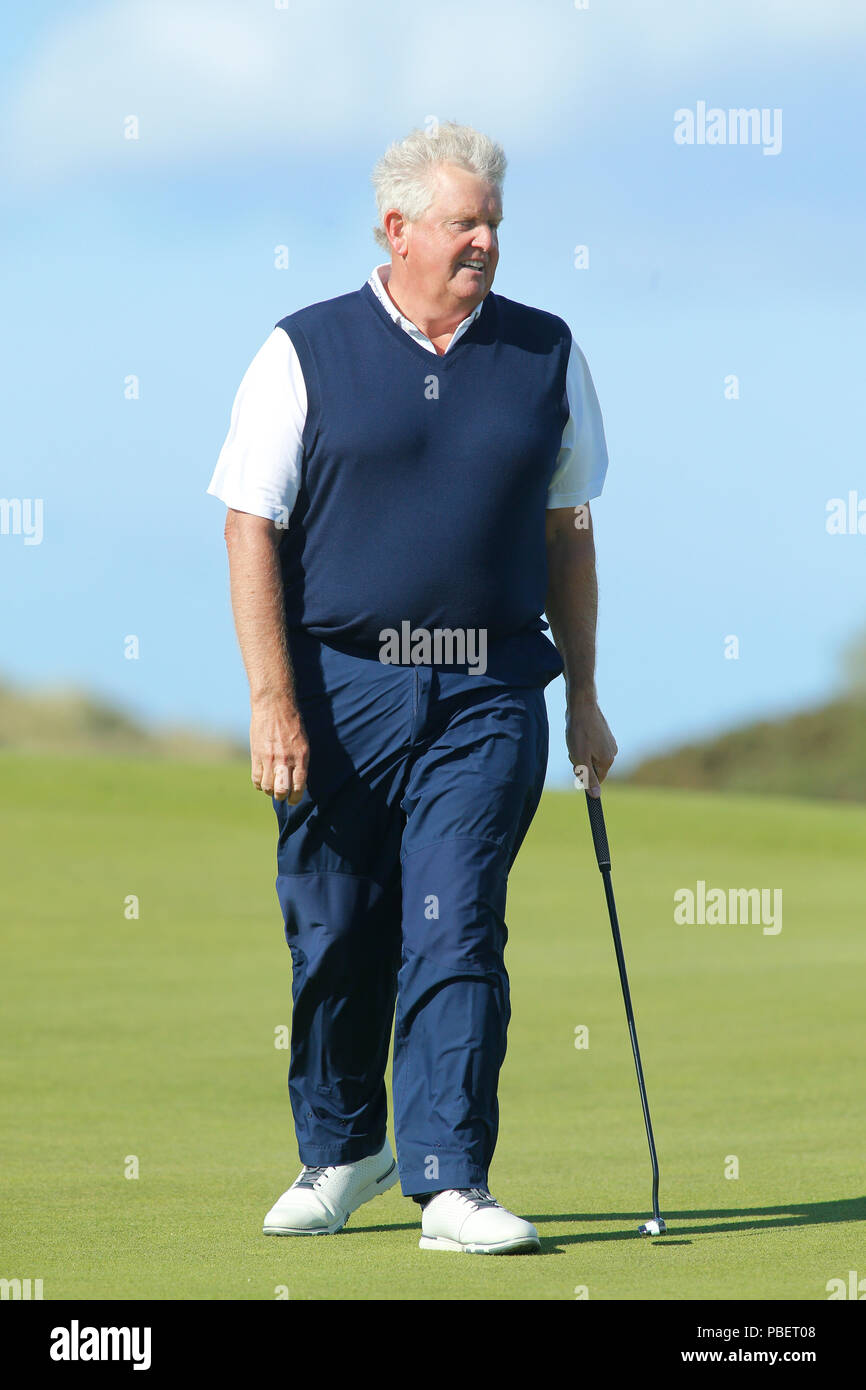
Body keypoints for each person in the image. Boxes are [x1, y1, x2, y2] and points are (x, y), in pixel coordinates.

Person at [207, 122, 617, 1255]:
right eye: (462, 223)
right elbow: (250, 524)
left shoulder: (544, 353)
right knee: (335, 933)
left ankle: (449, 1179)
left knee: (456, 922)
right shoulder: (303, 351)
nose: (483, 241)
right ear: (396, 229)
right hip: (341, 688)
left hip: (487, 689)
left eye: (491, 223)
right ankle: (343, 1148)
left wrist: (581, 695)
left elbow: (568, 531)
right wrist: (271, 699)